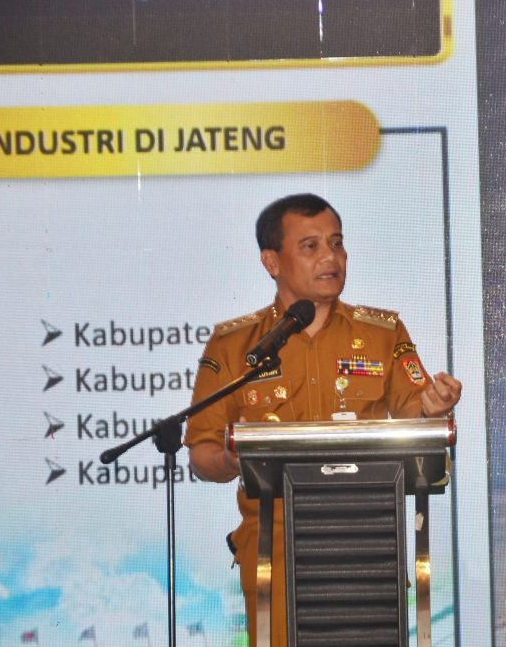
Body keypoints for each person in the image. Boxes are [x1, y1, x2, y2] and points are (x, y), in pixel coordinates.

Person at [185, 193, 462, 646]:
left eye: (336, 243)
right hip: (275, 555)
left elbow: (415, 411)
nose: (331, 257)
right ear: (272, 261)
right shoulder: (234, 345)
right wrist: (237, 461)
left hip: (369, 545)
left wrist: (433, 407)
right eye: (310, 246)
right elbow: (202, 451)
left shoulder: (383, 333)